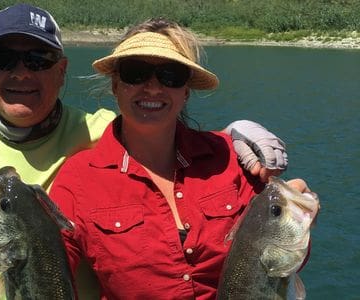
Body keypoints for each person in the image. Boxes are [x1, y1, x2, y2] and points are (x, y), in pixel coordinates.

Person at [0, 4, 287, 299]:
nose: (21, 73)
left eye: (38, 58)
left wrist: (232, 137)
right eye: (4, 59)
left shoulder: (99, 130)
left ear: (62, 71)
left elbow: (157, 122)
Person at [48, 18, 312, 299]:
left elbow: (280, 262)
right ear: (115, 85)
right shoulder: (79, 179)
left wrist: (299, 220)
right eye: (135, 72)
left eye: (170, 75)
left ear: (185, 91)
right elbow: (45, 269)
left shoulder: (229, 157)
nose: (152, 87)